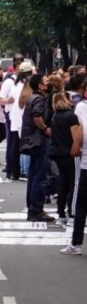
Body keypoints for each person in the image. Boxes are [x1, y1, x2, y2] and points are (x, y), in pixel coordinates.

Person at [19, 74, 54, 222]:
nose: (49, 83)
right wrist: (45, 128)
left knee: (34, 175)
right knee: (40, 176)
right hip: (38, 141)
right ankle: (36, 210)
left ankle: (33, 208)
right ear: (40, 85)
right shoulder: (39, 99)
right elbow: (37, 116)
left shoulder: (32, 97)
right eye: (46, 81)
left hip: (32, 141)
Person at [50, 91, 81, 227]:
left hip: (58, 152)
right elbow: (76, 137)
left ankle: (61, 213)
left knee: (64, 183)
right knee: (74, 183)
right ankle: (72, 212)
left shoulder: (55, 116)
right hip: (70, 152)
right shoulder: (71, 117)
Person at [60, 108, 87, 255]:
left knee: (81, 207)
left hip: (86, 169)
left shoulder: (84, 125)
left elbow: (74, 151)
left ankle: (76, 243)